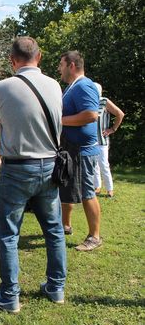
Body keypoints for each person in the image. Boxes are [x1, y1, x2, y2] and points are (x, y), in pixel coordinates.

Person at [0, 37, 67, 313]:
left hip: (17, 166)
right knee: (54, 230)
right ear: (39, 56)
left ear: (12, 60)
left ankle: (10, 296)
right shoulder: (55, 85)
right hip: (50, 165)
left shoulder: (3, 86)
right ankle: (56, 287)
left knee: (8, 234)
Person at [58, 51, 103, 251]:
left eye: (62, 64)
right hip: (70, 149)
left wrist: (59, 122)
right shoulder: (71, 87)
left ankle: (94, 237)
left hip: (83, 151)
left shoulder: (85, 85)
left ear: (72, 65)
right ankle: (65, 226)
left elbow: (91, 115)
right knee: (66, 188)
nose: (59, 68)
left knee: (86, 192)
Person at [93, 83, 125, 198]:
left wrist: (112, 129)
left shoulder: (104, 101)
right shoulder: (88, 101)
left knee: (103, 164)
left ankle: (109, 189)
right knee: (94, 165)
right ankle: (97, 186)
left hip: (102, 140)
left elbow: (120, 114)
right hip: (91, 140)